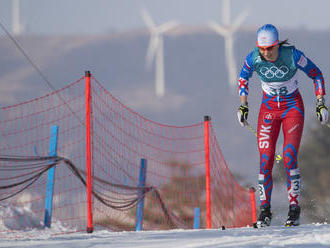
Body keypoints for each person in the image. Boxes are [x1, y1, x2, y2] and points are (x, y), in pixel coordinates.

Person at [236, 24, 328, 227]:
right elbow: (243, 78)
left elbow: (316, 74)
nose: (266, 52)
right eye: (262, 48)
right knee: (266, 158)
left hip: (292, 109)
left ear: (277, 45)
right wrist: (243, 106)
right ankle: (265, 211)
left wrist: (320, 104)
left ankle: (294, 209)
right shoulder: (254, 57)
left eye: (269, 48)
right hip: (268, 111)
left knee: (288, 155)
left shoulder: (293, 55)